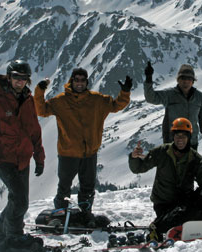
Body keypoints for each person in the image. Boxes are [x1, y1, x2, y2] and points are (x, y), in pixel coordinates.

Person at [34, 68, 132, 222]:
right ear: (71, 81)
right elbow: (41, 110)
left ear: (87, 82)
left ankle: (85, 213)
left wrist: (125, 92)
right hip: (68, 153)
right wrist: (39, 91)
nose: (79, 83)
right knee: (64, 187)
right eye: (76, 80)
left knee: (87, 187)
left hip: (89, 153)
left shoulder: (96, 100)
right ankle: (60, 215)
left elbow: (115, 105)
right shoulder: (60, 101)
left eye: (82, 80)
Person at [0, 59, 45, 252]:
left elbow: (34, 130)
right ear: (9, 77)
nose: (20, 82)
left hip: (23, 158)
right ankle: (14, 237)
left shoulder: (28, 101)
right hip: (2, 159)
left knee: (17, 200)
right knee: (20, 200)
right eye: (16, 77)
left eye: (24, 78)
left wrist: (39, 156)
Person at [128, 117, 202, 238]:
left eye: (183, 136)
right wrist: (134, 157)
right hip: (163, 204)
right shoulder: (162, 152)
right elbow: (138, 168)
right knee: (185, 215)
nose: (180, 140)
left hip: (183, 203)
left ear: (188, 138)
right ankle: (163, 227)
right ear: (173, 136)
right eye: (177, 136)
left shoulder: (195, 159)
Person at [144, 62, 202, 158]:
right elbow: (151, 98)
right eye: (183, 78)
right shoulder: (169, 95)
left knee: (190, 172)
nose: (186, 81)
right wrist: (148, 78)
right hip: (172, 144)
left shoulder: (199, 97)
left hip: (192, 143)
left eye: (189, 79)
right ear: (178, 80)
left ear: (193, 81)